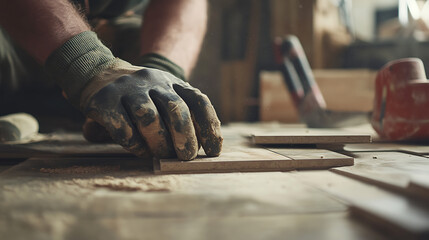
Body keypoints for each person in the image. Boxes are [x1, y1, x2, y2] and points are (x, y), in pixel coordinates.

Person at [0, 0, 223, 160]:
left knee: (132, 34)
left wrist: (159, 74)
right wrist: (88, 63)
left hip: (103, 37)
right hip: (12, 36)